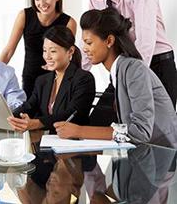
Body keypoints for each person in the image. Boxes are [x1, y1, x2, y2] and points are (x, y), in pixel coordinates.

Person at [55, 8, 177, 147]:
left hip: (165, 157)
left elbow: (140, 132)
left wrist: (79, 131)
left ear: (109, 41)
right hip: (146, 155)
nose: (84, 49)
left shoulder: (133, 69)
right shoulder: (119, 72)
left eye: (89, 43)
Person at [78, 0, 177, 108]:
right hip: (124, 66)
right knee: (100, 120)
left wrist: (131, 78)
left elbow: (145, 42)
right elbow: (90, 38)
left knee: (158, 130)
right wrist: (75, 74)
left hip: (156, 64)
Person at [7, 25, 95, 133]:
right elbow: (29, 107)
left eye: (53, 51)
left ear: (70, 51)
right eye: (44, 50)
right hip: (48, 141)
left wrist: (37, 123)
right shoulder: (42, 81)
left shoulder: (84, 79)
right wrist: (9, 118)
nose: (47, 56)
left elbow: (72, 114)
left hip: (74, 142)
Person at [0, 0, 77, 98]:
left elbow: (68, 55)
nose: (42, 3)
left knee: (50, 115)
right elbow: (9, 50)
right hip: (30, 77)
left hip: (55, 78)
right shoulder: (24, 15)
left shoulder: (69, 22)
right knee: (28, 114)